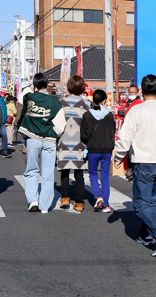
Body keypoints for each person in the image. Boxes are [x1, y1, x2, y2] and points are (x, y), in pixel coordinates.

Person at [114, 74, 156, 257]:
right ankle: (145, 235)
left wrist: (119, 156)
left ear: (142, 90)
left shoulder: (136, 111)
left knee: (139, 203)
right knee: (151, 200)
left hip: (144, 161)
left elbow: (125, 137)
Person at [17, 73, 66, 213]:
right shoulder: (55, 102)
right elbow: (60, 126)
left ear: (34, 85)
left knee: (32, 170)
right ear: (47, 85)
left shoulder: (29, 98)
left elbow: (21, 106)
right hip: (50, 140)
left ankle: (33, 200)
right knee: (48, 173)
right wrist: (52, 133)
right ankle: (45, 206)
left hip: (32, 138)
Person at [57, 76, 91, 211]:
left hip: (64, 140)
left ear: (69, 87)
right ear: (82, 88)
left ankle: (65, 198)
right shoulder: (86, 103)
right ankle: (79, 202)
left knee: (64, 171)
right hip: (80, 142)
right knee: (79, 172)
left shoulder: (61, 102)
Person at [81, 89, 116, 213]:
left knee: (93, 174)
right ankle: (106, 204)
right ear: (105, 100)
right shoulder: (109, 115)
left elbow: (83, 135)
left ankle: (98, 196)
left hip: (93, 149)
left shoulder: (87, 115)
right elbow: (113, 132)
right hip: (107, 149)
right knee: (105, 177)